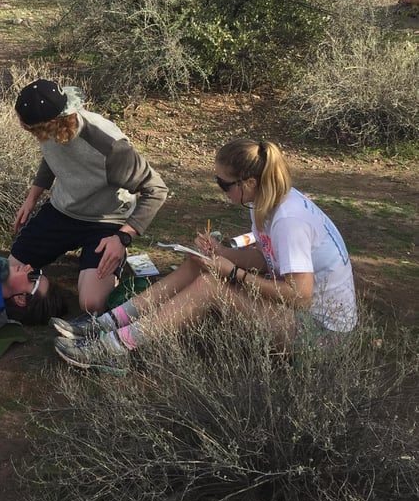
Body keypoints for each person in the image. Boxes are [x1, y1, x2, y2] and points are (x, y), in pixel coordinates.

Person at [53, 138, 358, 373]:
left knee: (213, 285)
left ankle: (115, 348)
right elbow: (270, 258)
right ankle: (109, 323)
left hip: (321, 336)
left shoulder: (289, 221)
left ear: (249, 183)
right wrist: (223, 254)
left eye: (224, 184)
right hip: (305, 319)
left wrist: (233, 273)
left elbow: (300, 295)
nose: (221, 190)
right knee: (199, 265)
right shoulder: (268, 202)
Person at [11, 79, 168, 317]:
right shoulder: (51, 124)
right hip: (63, 211)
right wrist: (32, 197)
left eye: (27, 126)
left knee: (91, 304)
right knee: (12, 268)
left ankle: (113, 259)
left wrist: (123, 237)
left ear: (52, 123)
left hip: (106, 220)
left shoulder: (110, 147)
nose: (22, 126)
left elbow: (157, 189)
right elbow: (52, 156)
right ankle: (86, 260)